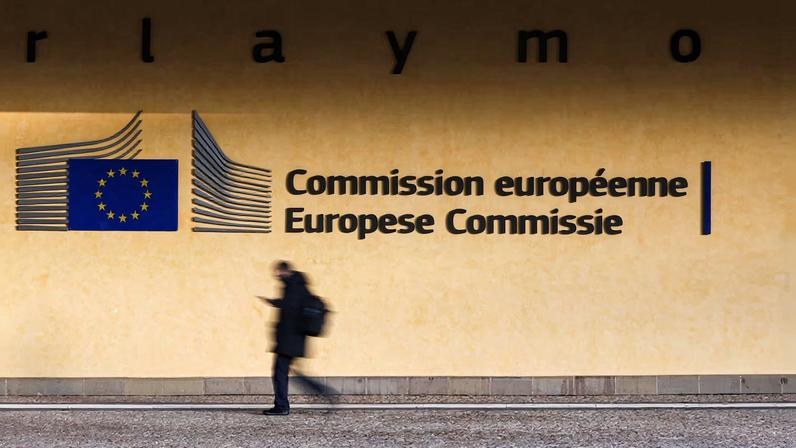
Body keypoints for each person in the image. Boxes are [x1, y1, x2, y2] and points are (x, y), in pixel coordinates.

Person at [258, 260, 333, 415]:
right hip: (294, 340)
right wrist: (273, 302)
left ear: (283, 271)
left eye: (277, 272)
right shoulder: (298, 285)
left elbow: (290, 310)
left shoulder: (292, 286)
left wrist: (275, 305)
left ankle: (282, 406)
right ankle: (323, 393)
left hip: (289, 340)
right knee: (290, 372)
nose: (276, 275)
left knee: (280, 373)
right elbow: (291, 305)